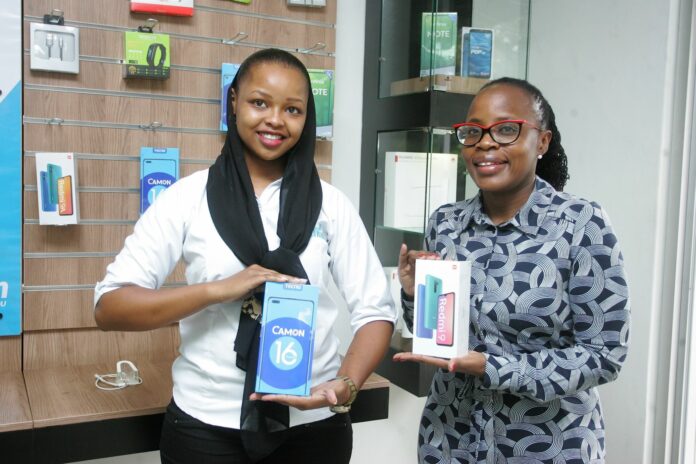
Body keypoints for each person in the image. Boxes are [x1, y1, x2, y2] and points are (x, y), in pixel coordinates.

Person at [94, 48, 396, 464]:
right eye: (259, 102)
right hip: (205, 429)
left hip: (314, 427)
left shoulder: (332, 205)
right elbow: (111, 307)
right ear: (233, 101)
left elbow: (375, 312)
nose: (275, 119)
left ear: (307, 118)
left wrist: (346, 385)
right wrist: (219, 289)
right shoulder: (186, 197)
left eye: (292, 109)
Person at [394, 77, 630, 463]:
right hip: (452, 438)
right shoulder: (446, 223)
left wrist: (494, 367)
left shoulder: (582, 224)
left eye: (506, 130)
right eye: (473, 132)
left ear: (542, 142)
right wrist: (411, 295)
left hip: (546, 446)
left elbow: (604, 353)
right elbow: (438, 333)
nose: (485, 143)